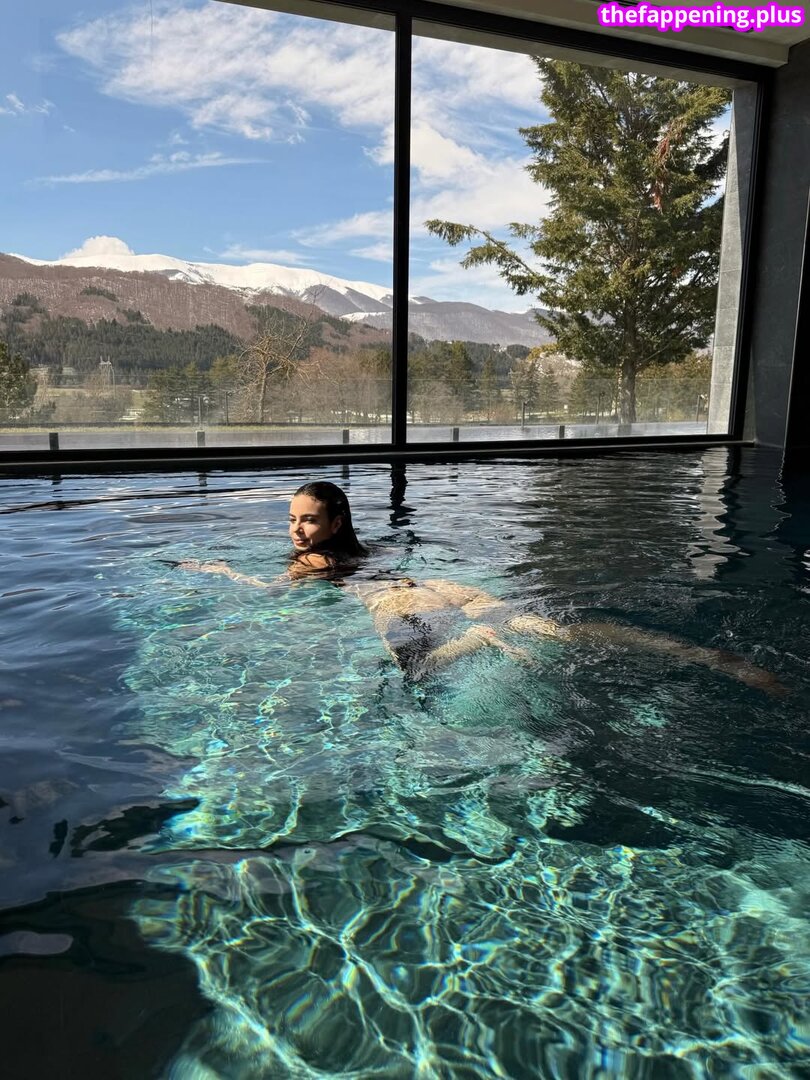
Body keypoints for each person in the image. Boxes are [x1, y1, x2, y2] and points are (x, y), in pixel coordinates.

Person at [180, 482, 784, 693]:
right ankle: (703, 655)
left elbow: (268, 593)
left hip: (396, 600)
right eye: (292, 520)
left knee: (419, 671)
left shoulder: (309, 564)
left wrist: (220, 572)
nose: (296, 530)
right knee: (557, 631)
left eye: (307, 520)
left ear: (335, 523)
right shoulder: (372, 548)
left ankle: (484, 640)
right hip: (445, 587)